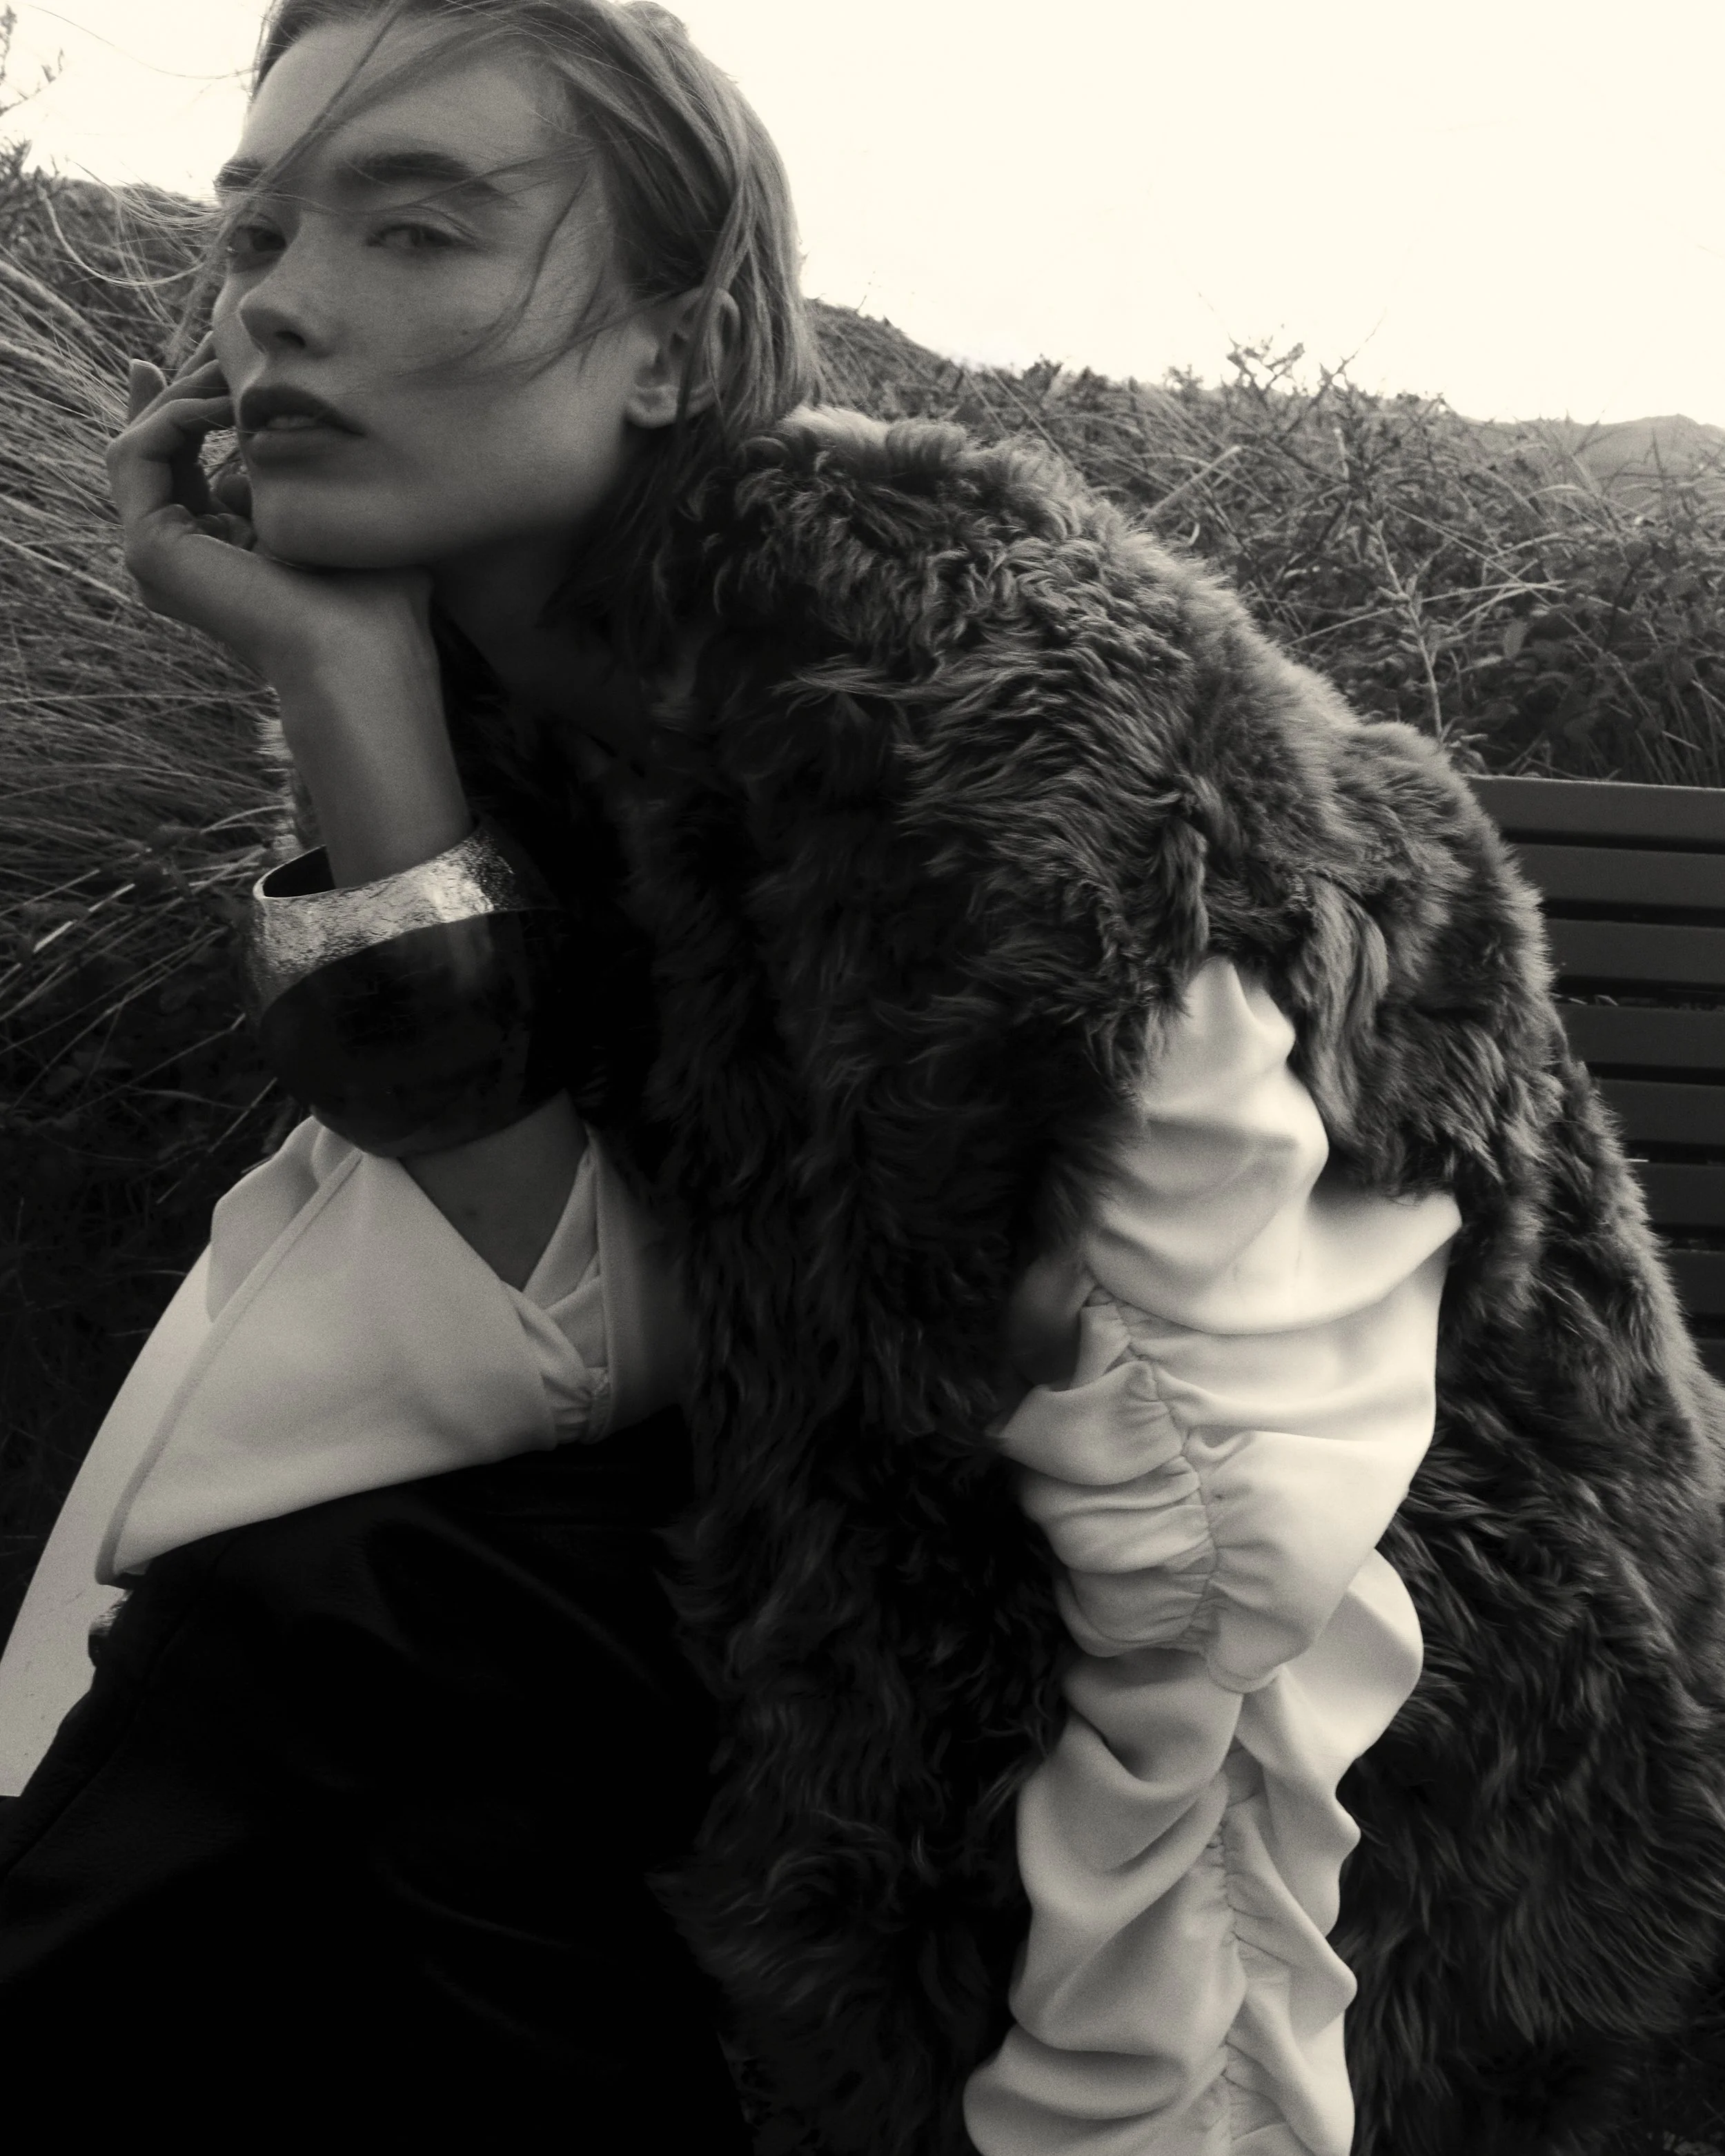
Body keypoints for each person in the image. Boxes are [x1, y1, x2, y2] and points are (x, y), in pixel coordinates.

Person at [1, 2, 1724, 2150]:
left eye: (420, 229)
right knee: (322, 1659)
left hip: (1414, 1780)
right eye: (253, 235)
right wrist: (344, 683)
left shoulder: (984, 754)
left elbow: (1235, 1561)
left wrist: (1108, 2112)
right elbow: (576, 1317)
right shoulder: (506, 675)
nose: (283, 304)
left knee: (344, 1640)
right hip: (880, 1580)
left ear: (671, 337)